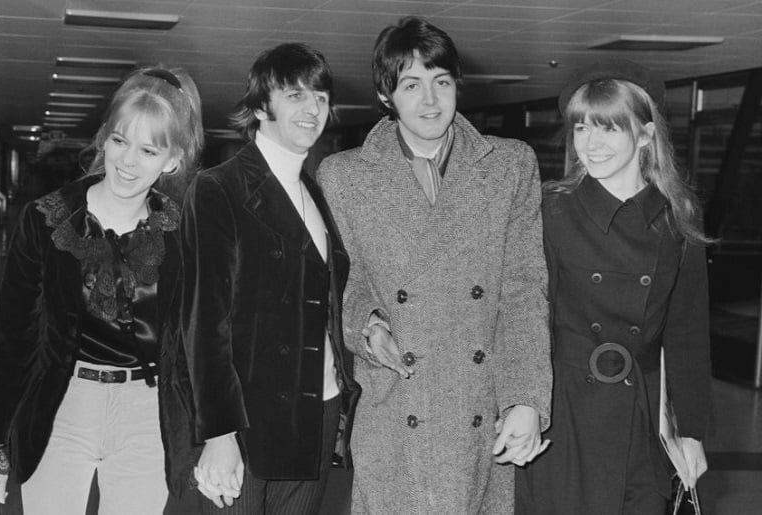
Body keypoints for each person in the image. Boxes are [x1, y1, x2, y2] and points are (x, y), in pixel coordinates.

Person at [316, 16, 553, 514]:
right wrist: (367, 327)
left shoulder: (509, 166)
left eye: (441, 82)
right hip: (395, 406)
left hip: (478, 409)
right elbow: (339, 286)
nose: (430, 101)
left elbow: (524, 291)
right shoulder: (343, 177)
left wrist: (526, 399)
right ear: (386, 96)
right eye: (411, 85)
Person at [0, 65, 204, 514]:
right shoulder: (47, 220)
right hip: (62, 405)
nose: (128, 161)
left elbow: (200, 342)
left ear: (172, 160)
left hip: (147, 415)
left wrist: (216, 435)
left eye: (148, 150)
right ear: (103, 139)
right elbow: (13, 339)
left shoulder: (183, 233)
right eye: (120, 141)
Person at [515, 59, 712, 515]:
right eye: (582, 128)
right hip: (563, 412)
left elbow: (687, 332)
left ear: (645, 135)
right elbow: (524, 319)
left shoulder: (677, 217)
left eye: (609, 128)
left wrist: (691, 431)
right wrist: (518, 405)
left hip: (640, 412)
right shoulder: (550, 210)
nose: (591, 144)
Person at [180, 42, 361, 514]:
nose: (313, 109)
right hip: (246, 417)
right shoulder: (219, 188)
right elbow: (204, 322)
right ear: (261, 107)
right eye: (296, 95)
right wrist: (219, 433)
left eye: (320, 97)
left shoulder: (314, 192)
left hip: (317, 406)